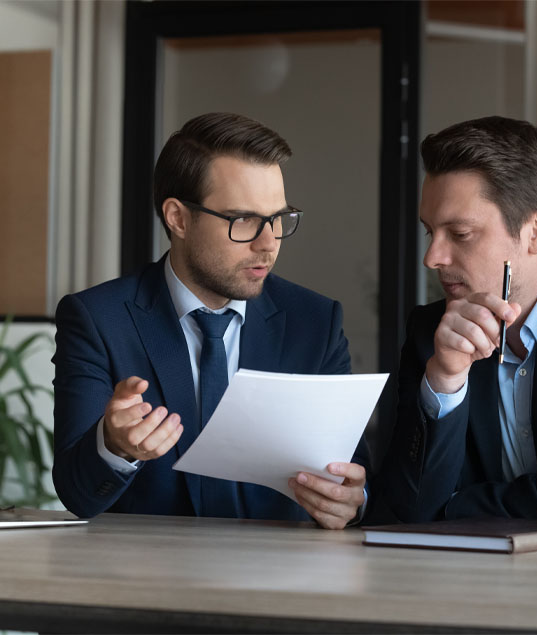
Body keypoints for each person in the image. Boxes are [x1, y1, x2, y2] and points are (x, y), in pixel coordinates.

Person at [53, 112, 367, 529]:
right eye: (244, 221)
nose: (268, 243)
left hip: (283, 579)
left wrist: (353, 499)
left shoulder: (316, 322)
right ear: (178, 218)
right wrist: (115, 447)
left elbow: (353, 471)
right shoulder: (97, 319)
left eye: (278, 218)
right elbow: (77, 496)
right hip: (145, 580)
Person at [371, 116, 537, 530]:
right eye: (430, 233)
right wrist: (445, 381)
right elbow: (404, 510)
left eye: (459, 234)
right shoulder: (433, 332)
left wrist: (454, 505)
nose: (433, 258)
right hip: (479, 585)